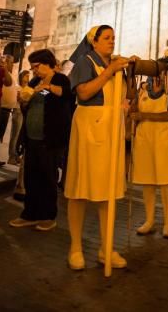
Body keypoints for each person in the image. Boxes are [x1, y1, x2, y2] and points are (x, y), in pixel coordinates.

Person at [64, 25, 132, 270]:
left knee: (108, 189)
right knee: (80, 187)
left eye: (113, 37)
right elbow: (83, 93)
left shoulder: (115, 63)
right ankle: (75, 248)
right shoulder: (86, 61)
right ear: (94, 42)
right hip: (89, 127)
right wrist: (109, 72)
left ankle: (107, 247)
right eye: (106, 38)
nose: (111, 42)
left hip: (111, 129)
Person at [9, 49, 72, 231]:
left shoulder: (60, 79)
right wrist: (24, 100)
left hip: (49, 139)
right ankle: (30, 214)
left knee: (47, 178)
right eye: (32, 66)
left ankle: (47, 216)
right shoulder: (35, 81)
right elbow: (32, 104)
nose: (33, 70)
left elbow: (67, 94)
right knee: (31, 178)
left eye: (36, 66)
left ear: (47, 63)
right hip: (32, 138)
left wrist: (49, 87)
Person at [132, 74, 168, 238]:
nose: (159, 77)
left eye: (162, 74)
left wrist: (145, 116)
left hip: (165, 137)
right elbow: (134, 108)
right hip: (145, 138)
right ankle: (149, 220)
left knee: (166, 180)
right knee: (147, 180)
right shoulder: (143, 91)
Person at [8, 70, 30, 165]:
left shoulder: (28, 88)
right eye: (26, 76)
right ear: (21, 77)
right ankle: (11, 157)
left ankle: (16, 155)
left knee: (20, 137)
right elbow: (19, 99)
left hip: (25, 113)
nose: (27, 78)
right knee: (15, 135)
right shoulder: (18, 87)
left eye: (29, 76)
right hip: (18, 111)